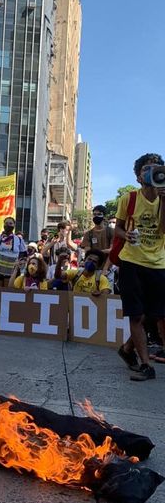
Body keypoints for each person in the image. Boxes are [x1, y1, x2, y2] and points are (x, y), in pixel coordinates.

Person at [115, 153, 165, 381]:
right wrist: (126, 235)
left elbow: (163, 230)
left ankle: (127, 349)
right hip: (131, 262)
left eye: (156, 167)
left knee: (153, 315)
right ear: (138, 176)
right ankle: (146, 365)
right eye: (146, 168)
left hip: (158, 263)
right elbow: (118, 228)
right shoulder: (129, 198)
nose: (152, 171)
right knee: (136, 315)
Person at [0, 216, 27, 320]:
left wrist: (21, 264)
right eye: (6, 223)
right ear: (3, 224)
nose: (8, 225)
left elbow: (24, 254)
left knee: (8, 295)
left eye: (10, 223)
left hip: (11, 272)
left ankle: (4, 317)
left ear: (14, 225)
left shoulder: (19, 240)